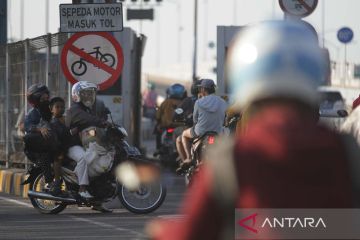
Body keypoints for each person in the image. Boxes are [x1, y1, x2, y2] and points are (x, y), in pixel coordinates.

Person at [147, 21, 360, 240]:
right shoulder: (345, 151)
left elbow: (193, 232)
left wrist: (160, 231)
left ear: (244, 74)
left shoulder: (232, 158)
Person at [65, 81, 109, 200]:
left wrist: (106, 116)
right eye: (85, 94)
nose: (89, 96)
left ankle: (98, 200)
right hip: (71, 144)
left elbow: (96, 119)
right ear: (77, 95)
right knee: (84, 158)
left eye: (90, 94)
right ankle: (82, 189)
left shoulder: (87, 109)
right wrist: (103, 122)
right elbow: (90, 119)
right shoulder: (75, 110)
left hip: (83, 142)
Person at [178, 79, 227, 166]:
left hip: (200, 132)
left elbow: (195, 120)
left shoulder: (199, 102)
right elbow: (224, 119)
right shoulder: (223, 102)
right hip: (217, 132)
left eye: (201, 88)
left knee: (184, 134)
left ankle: (189, 158)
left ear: (203, 89)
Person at [23, 84, 54, 187]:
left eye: (46, 96)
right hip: (34, 149)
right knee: (44, 156)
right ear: (36, 99)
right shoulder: (33, 113)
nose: (46, 99)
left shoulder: (50, 110)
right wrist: (40, 129)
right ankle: (49, 183)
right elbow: (28, 126)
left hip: (48, 142)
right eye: (43, 97)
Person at [48, 97, 70, 196]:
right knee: (58, 158)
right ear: (51, 109)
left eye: (62, 107)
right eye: (57, 107)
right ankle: (57, 183)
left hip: (67, 147)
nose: (60, 109)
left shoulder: (66, 119)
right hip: (58, 149)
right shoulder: (52, 123)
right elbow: (56, 140)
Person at [154, 83, 187, 151]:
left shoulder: (166, 102)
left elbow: (158, 115)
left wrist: (158, 121)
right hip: (179, 125)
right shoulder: (185, 102)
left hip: (166, 125)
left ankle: (158, 149)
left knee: (158, 132)